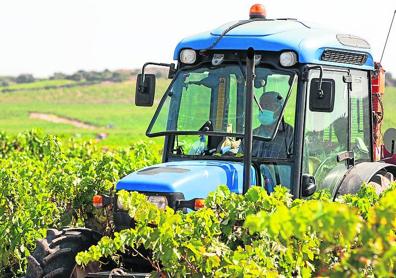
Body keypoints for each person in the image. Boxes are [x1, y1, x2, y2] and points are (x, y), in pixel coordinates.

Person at [249, 91, 294, 158]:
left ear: (280, 110)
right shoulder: (252, 135)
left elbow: (300, 164)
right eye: (261, 106)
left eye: (268, 106)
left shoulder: (292, 135)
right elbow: (240, 161)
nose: (263, 110)